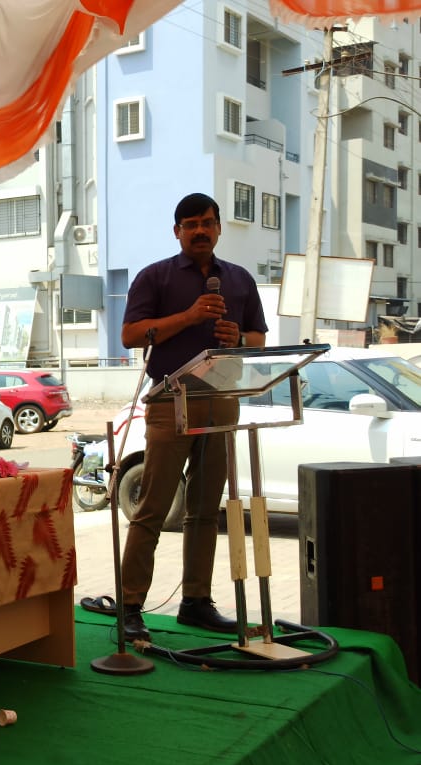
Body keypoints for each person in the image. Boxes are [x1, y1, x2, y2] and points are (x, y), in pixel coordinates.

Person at [119, 193, 268, 642]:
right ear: (177, 231)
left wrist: (238, 337)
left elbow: (259, 339)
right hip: (171, 401)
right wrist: (188, 317)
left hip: (222, 399)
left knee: (205, 510)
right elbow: (130, 335)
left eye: (207, 222)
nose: (200, 230)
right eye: (191, 224)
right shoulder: (155, 277)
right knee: (153, 507)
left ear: (219, 227)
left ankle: (196, 602)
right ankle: (129, 606)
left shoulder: (239, 279)